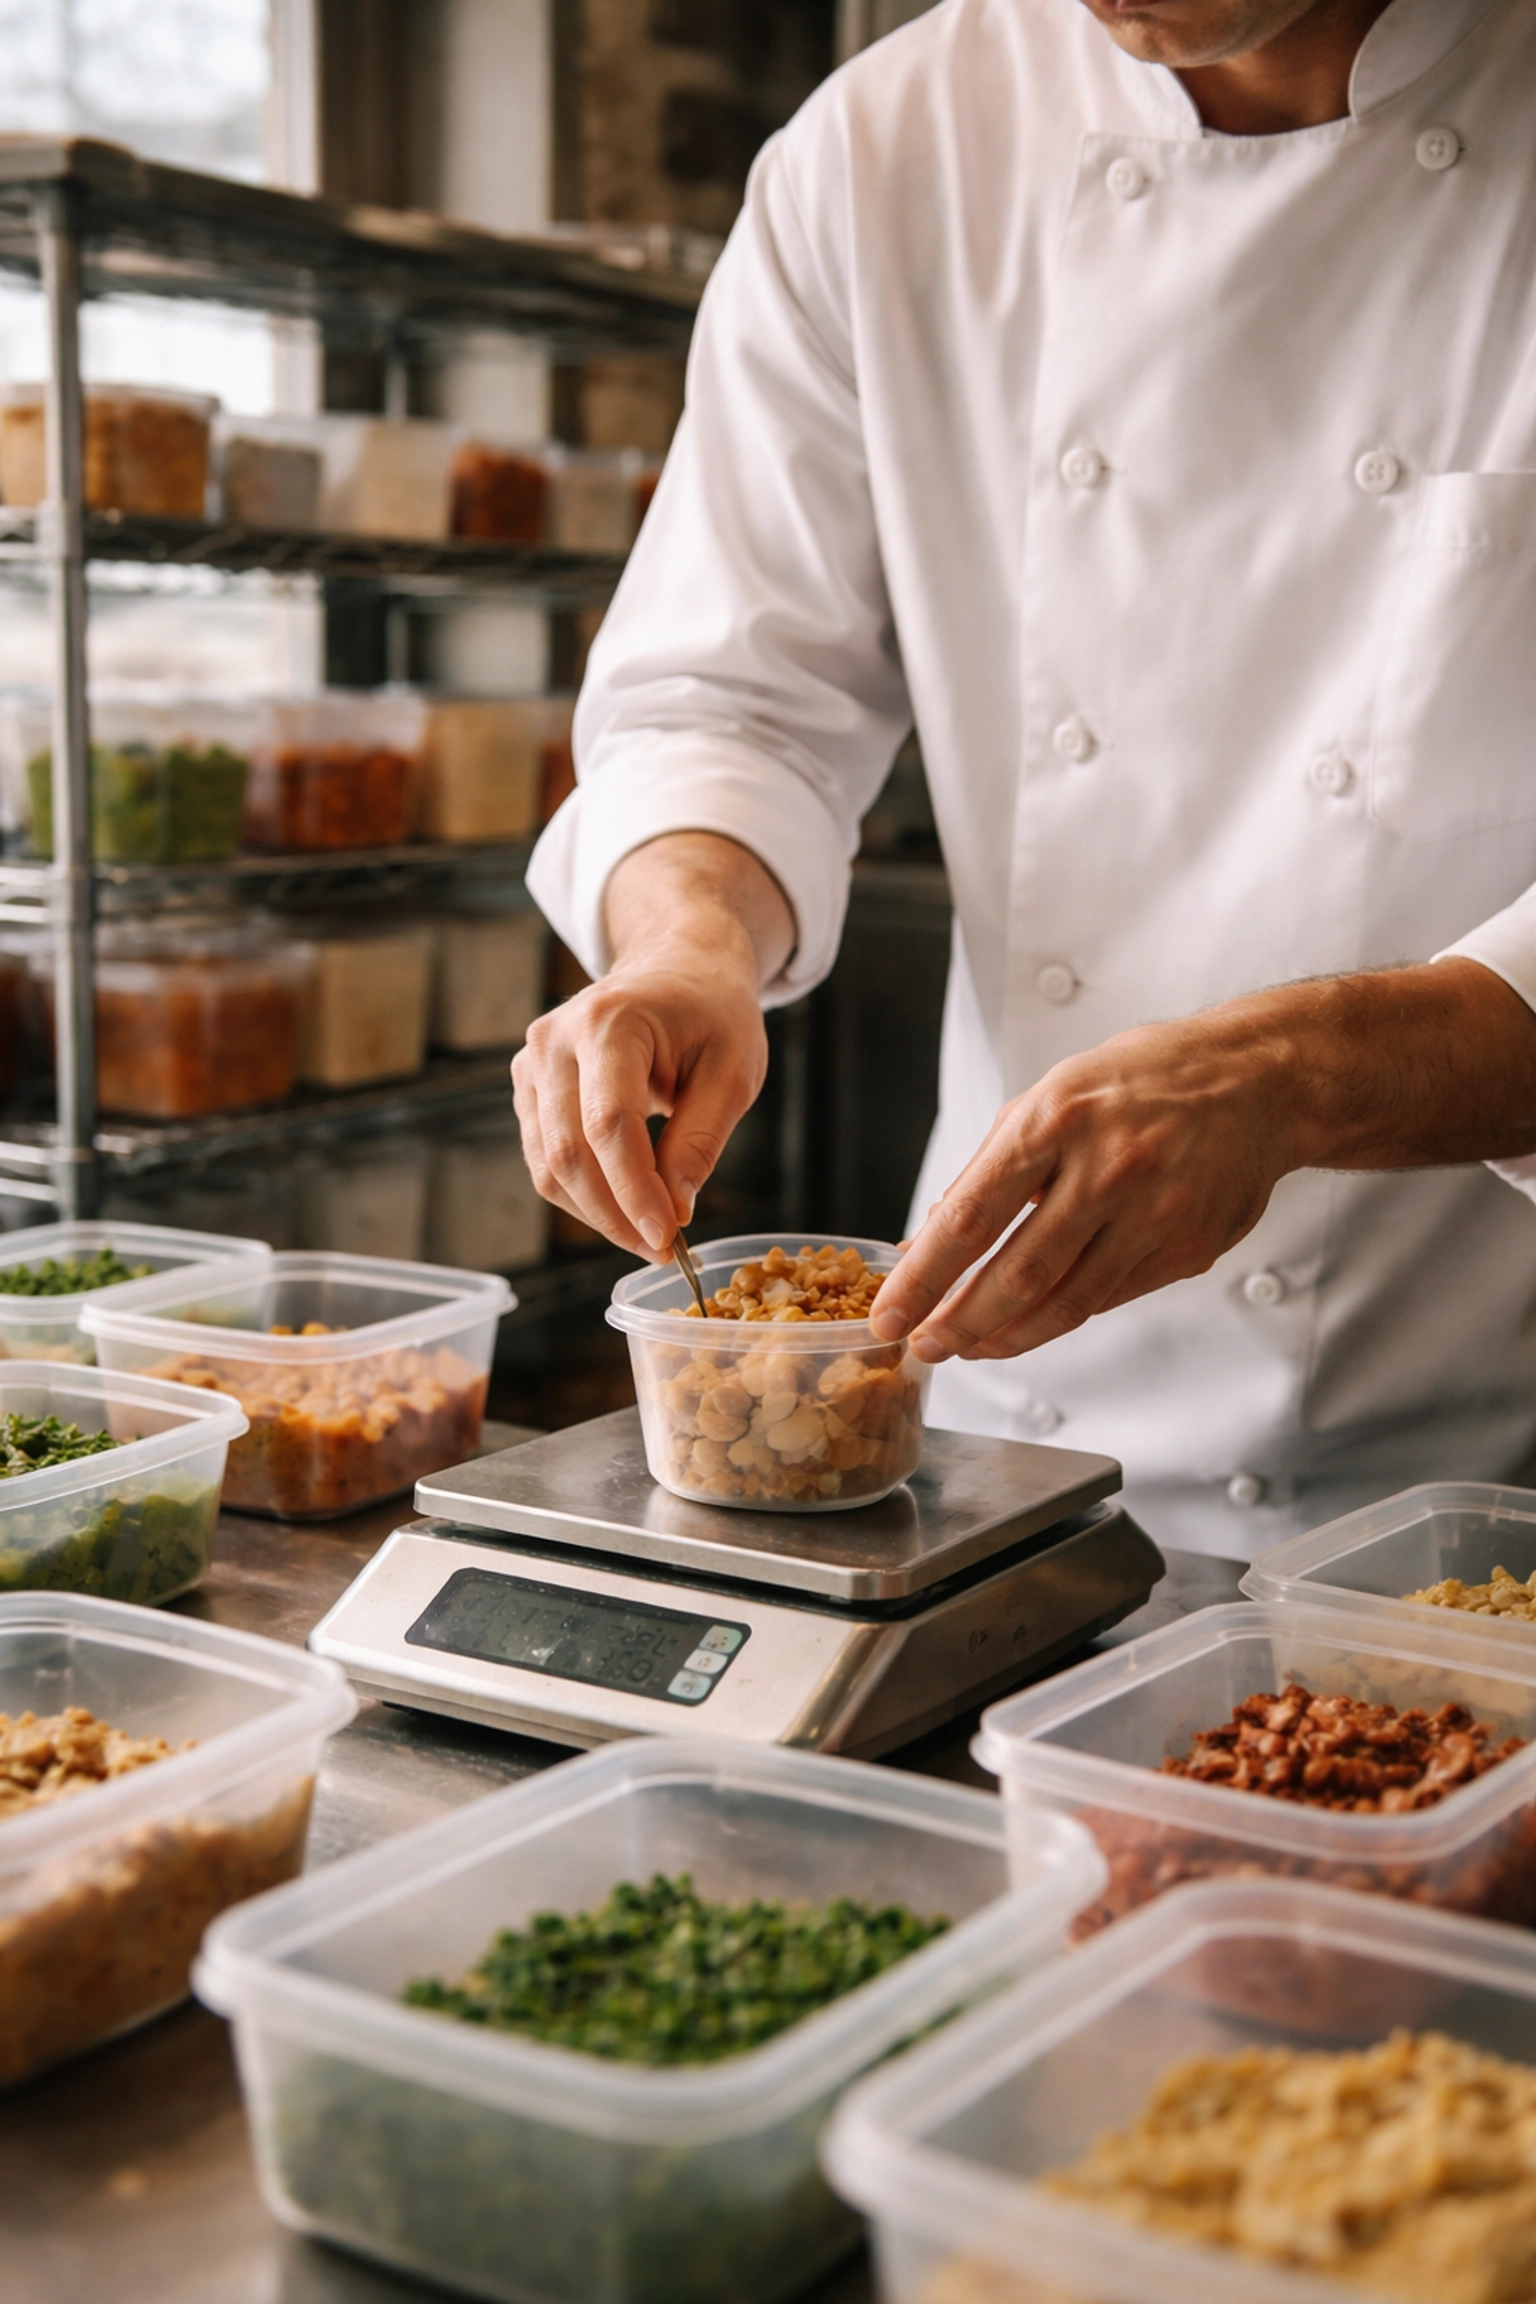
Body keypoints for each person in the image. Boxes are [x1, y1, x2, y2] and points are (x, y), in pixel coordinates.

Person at [519, 0, 1536, 1557]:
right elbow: (732, 692)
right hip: (992, 1454)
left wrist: (1301, 1073)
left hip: (1487, 1458)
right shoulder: (886, 150)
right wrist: (686, 945)